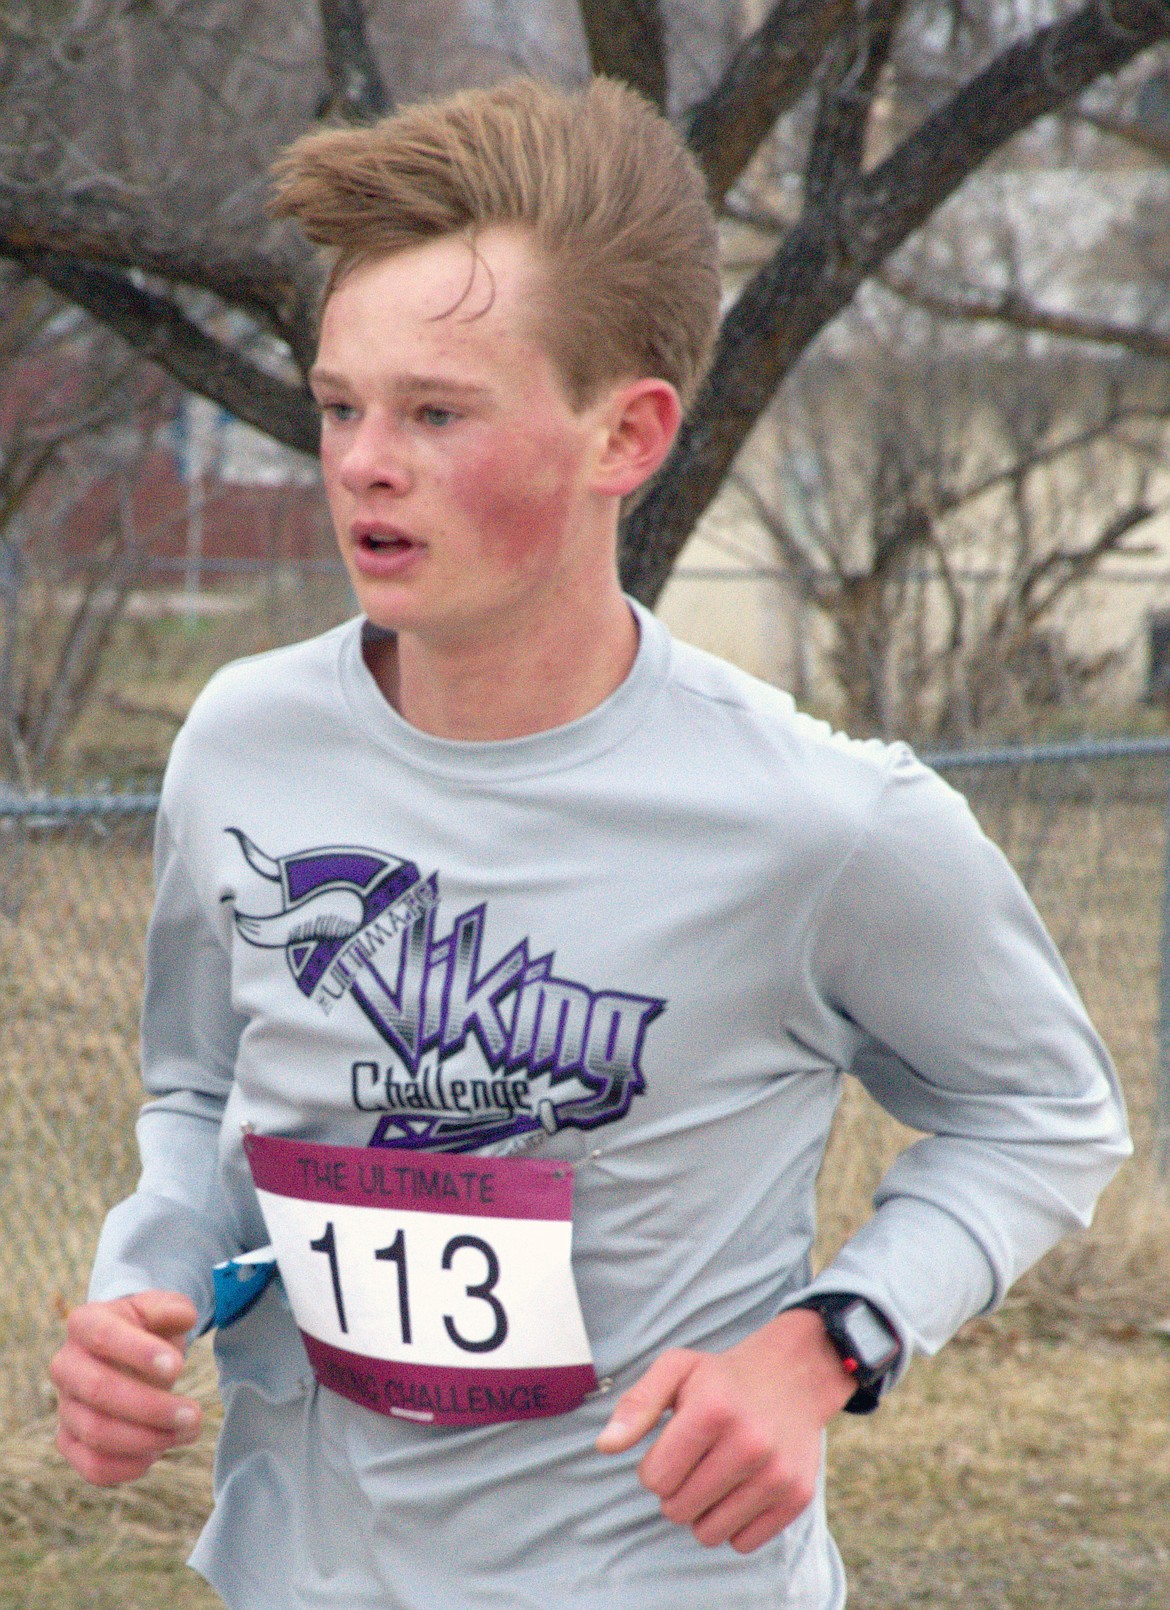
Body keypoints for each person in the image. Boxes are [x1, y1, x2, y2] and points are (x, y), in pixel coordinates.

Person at [50, 76, 1129, 1610]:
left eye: (434, 411)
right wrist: (145, 1283)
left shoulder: (819, 820)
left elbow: (1044, 1113)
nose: (360, 460)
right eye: (340, 403)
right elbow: (203, 1085)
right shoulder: (240, 742)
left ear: (625, 433)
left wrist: (828, 1341)